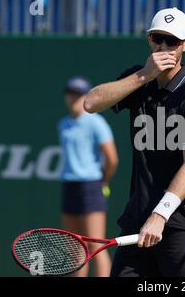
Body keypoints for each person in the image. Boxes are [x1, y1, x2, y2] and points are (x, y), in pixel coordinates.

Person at [84, 7, 185, 277]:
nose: (164, 47)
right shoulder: (138, 79)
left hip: (182, 227)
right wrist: (145, 74)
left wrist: (160, 215)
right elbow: (90, 102)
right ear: (149, 39)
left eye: (173, 41)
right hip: (136, 222)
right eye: (158, 38)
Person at [58, 76, 119, 277]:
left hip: (91, 186)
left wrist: (103, 179)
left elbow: (111, 158)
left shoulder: (96, 122)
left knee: (96, 245)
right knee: (74, 245)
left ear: (86, 96)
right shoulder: (64, 124)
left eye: (78, 94)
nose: (74, 98)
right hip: (69, 185)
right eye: (71, 93)